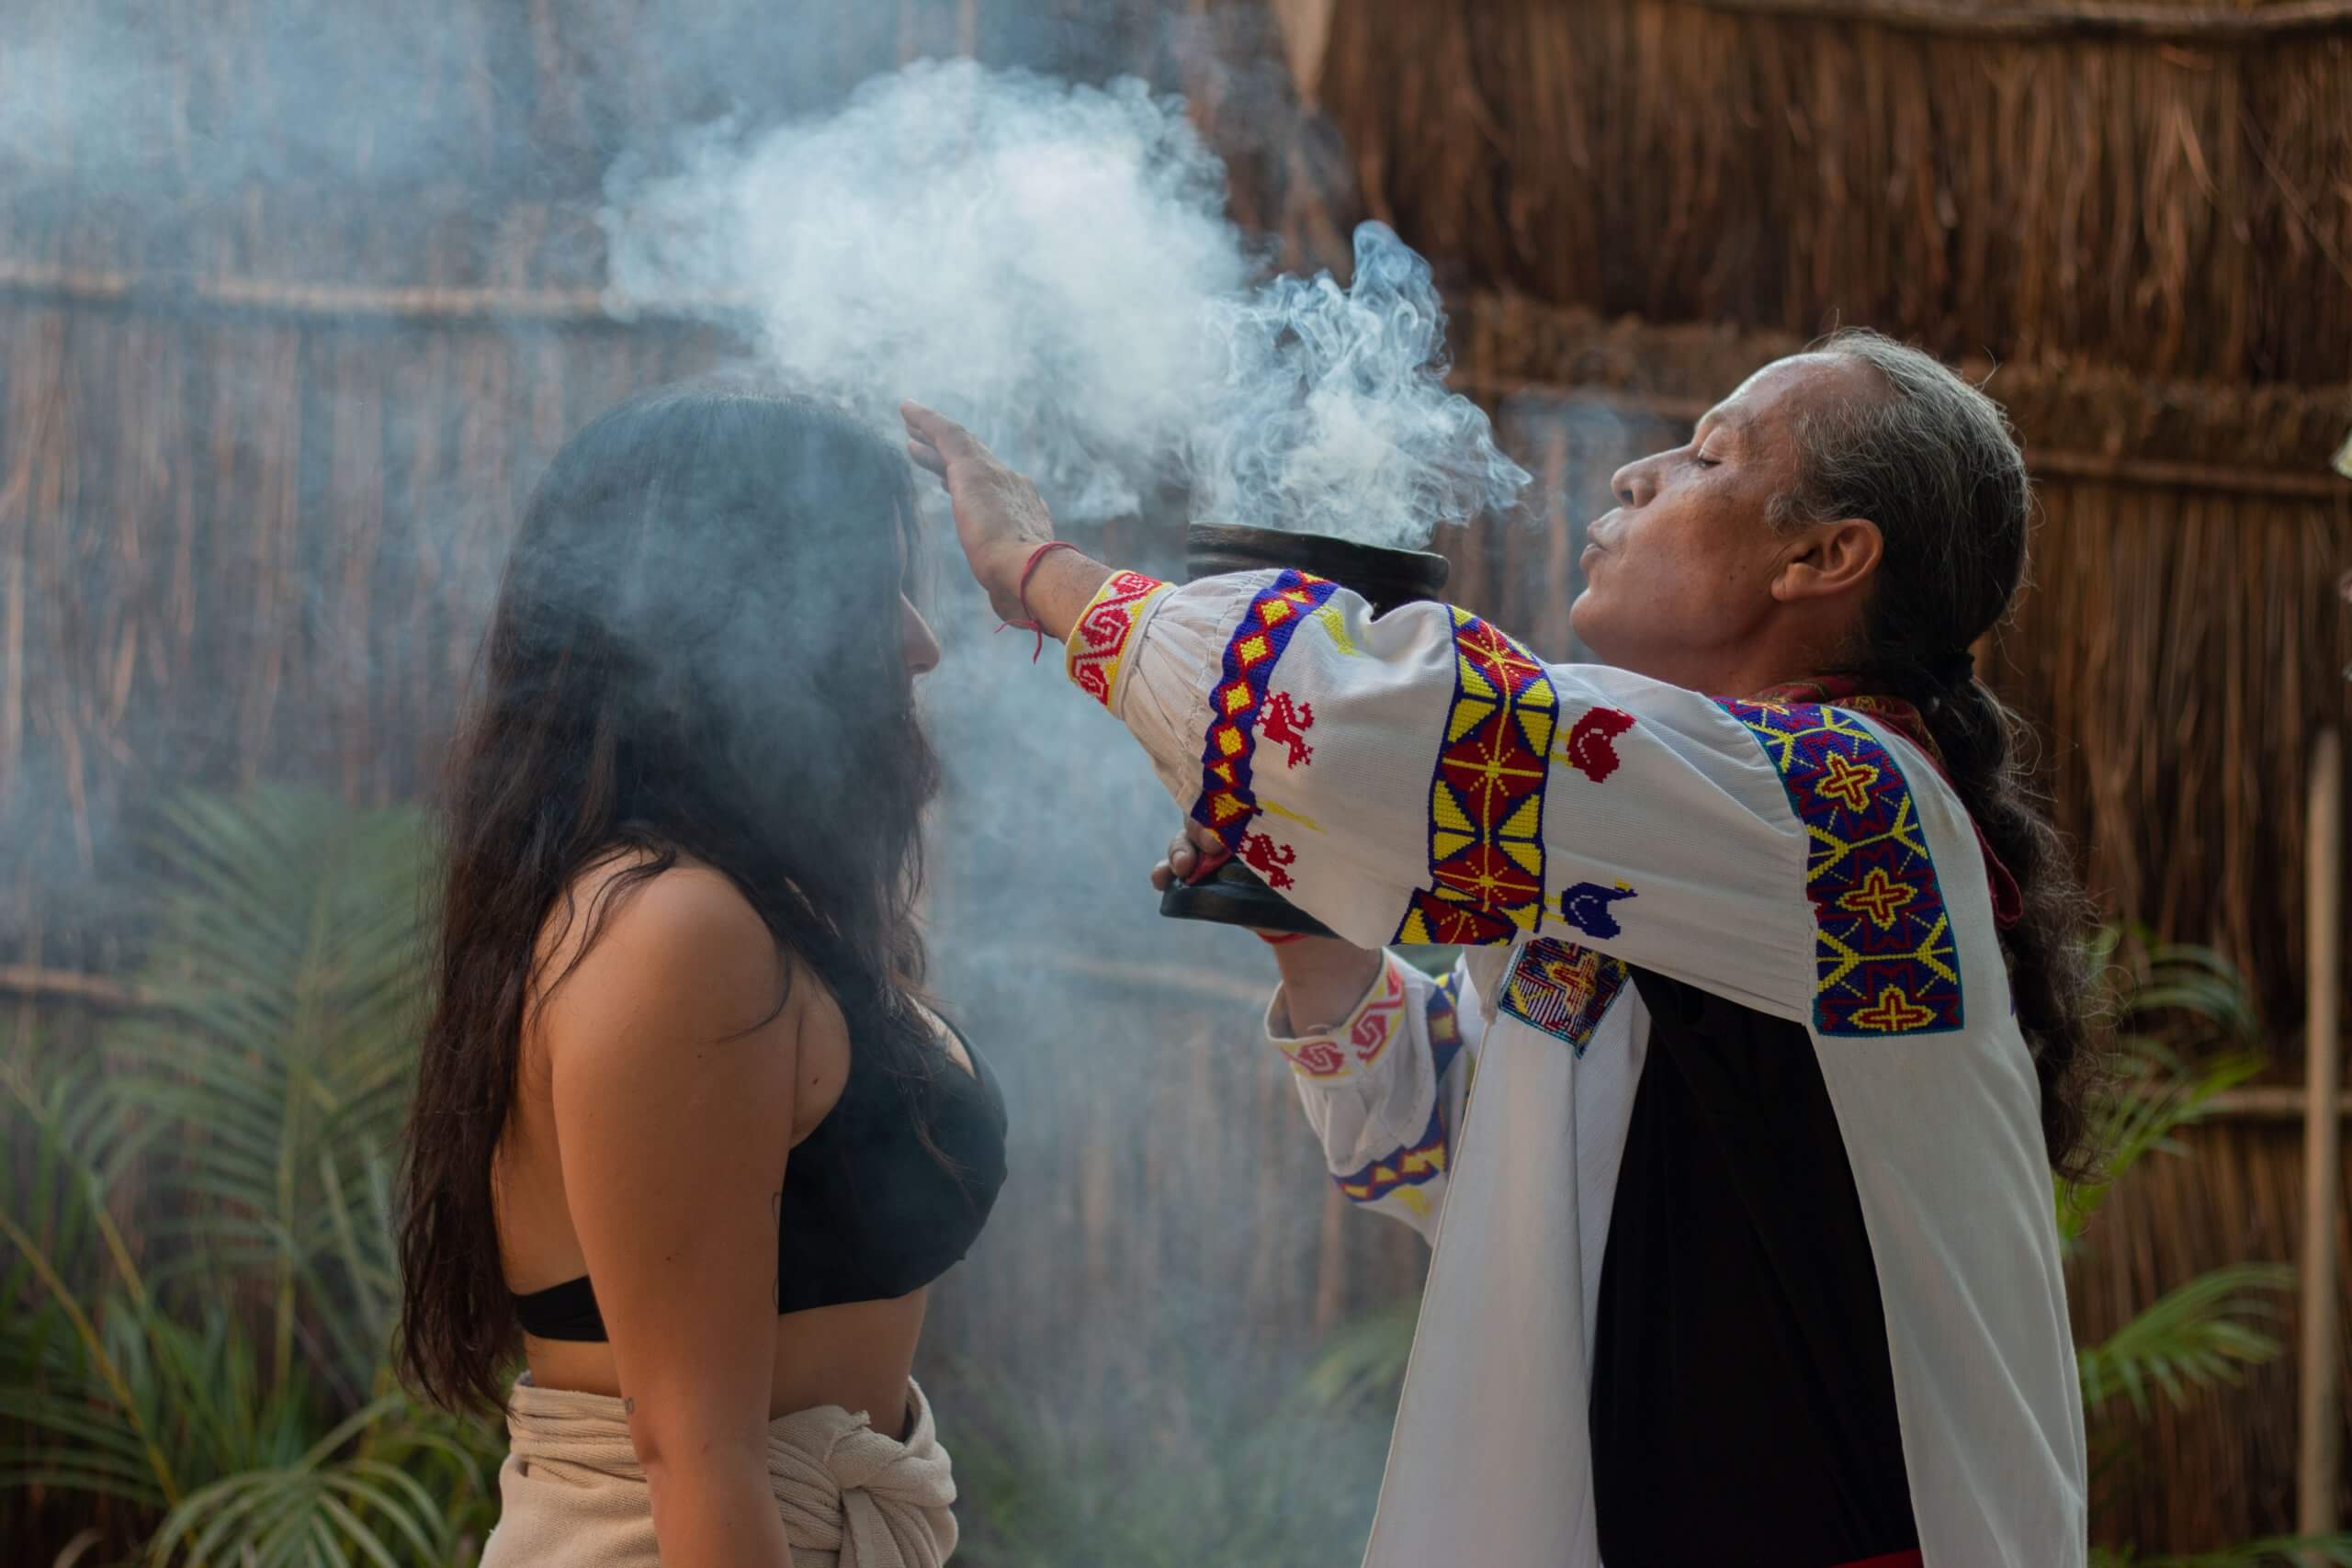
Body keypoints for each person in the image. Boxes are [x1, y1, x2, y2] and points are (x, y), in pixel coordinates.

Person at [902, 327, 2092, 1568]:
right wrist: (1309, 937)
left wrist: (1038, 567)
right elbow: (1498, 1162)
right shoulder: (1704, 839)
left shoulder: (1845, 809)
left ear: (1824, 556)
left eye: (1709, 458)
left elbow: (1359, 712)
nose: (1639, 475)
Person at [397, 382, 1005, 1568]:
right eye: (869, 593)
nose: (918, 644)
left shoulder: (754, 907)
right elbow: (693, 1452)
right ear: (741, 618)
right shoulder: (673, 934)